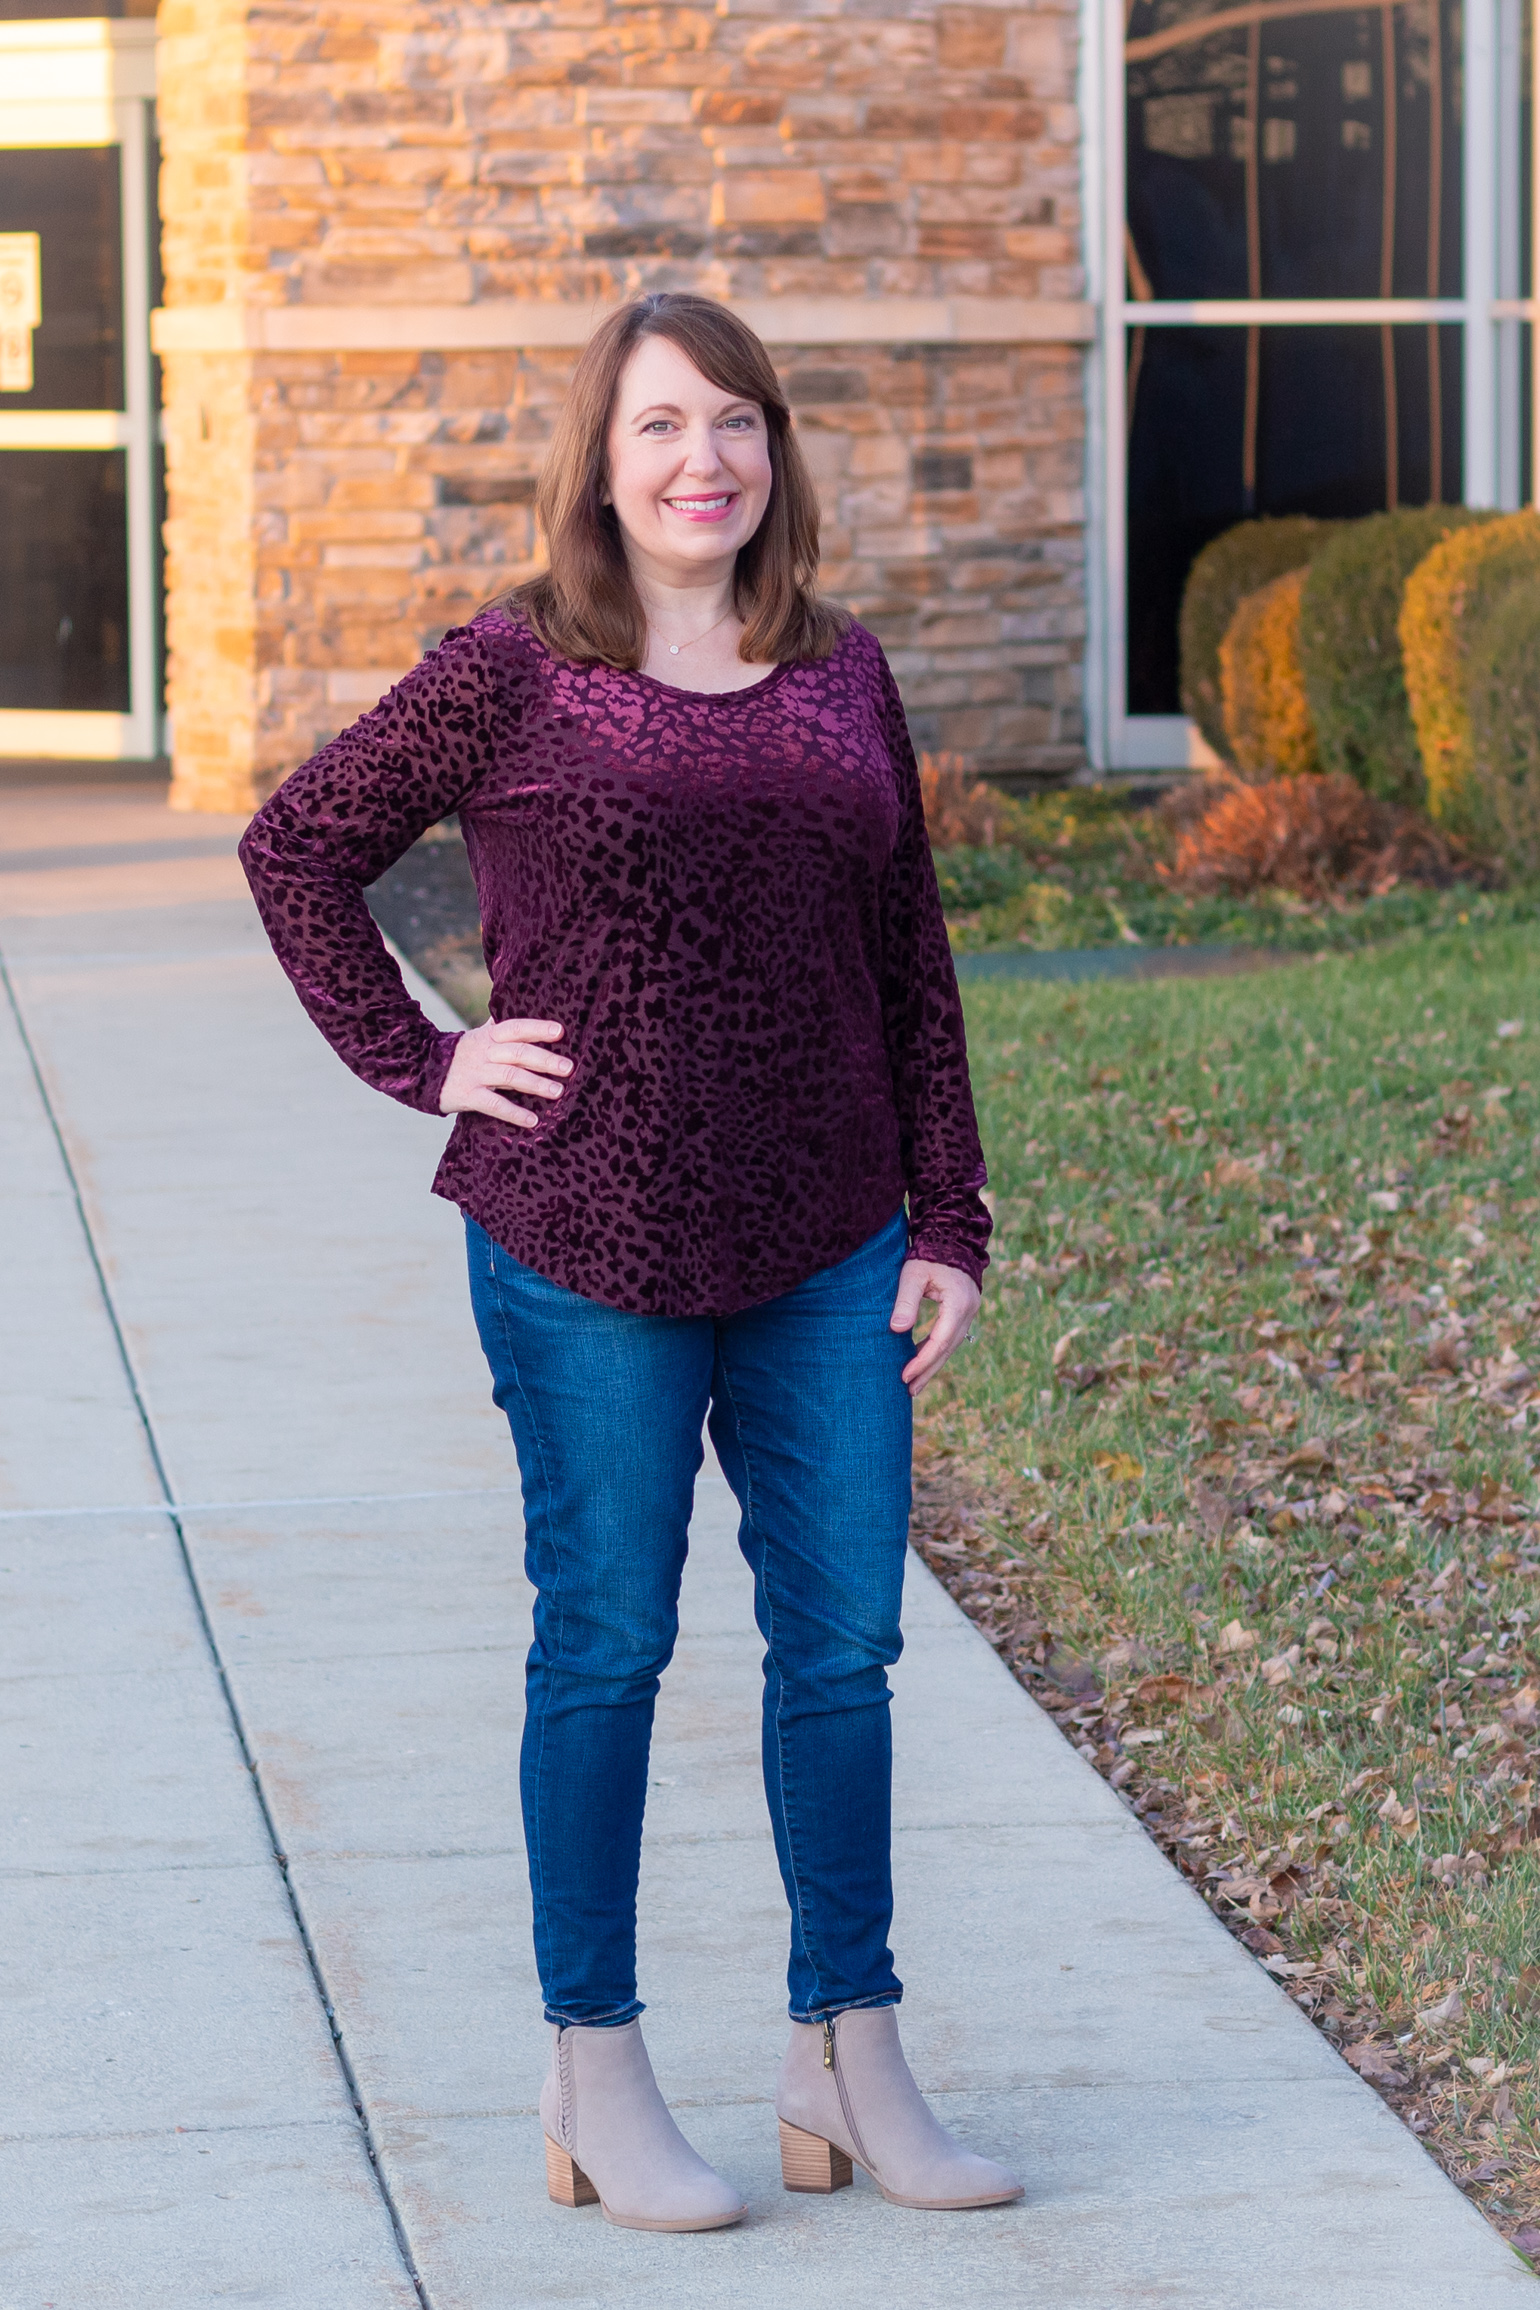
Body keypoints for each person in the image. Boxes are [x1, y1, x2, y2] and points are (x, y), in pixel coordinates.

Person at [240, 291, 1022, 2233]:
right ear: (601, 458)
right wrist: (426, 1059)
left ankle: (844, 2049)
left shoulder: (840, 673)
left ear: (775, 454)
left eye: (737, 424)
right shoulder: (515, 667)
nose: (706, 462)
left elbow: (905, 959)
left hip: (830, 1237)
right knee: (606, 1642)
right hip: (583, 1228)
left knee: (839, 1648)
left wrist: (948, 1217)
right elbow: (296, 844)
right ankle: (592, 2066)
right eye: (664, 427)